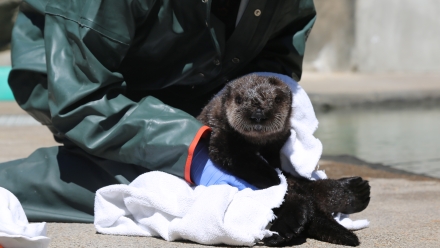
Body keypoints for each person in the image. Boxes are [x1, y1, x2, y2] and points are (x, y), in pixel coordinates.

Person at [0, 0, 316, 223]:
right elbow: (80, 98)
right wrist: (200, 154)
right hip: (71, 73)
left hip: (193, 74)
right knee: (164, 187)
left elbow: (278, 49)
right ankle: (8, 185)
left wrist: (253, 130)